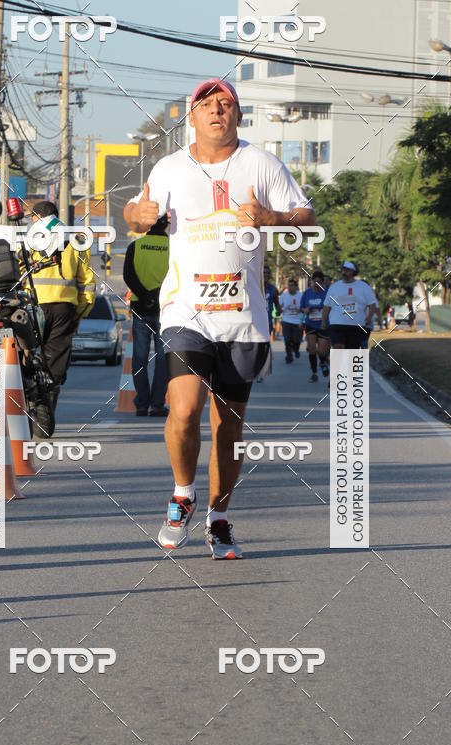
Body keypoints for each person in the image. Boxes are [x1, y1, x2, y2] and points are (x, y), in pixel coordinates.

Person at [124, 77, 314, 558]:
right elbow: (135, 210)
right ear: (192, 117)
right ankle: (183, 494)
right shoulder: (169, 168)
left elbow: (307, 217)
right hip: (185, 311)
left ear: (238, 117)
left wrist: (275, 220)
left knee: (229, 425)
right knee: (184, 409)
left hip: (244, 317)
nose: (217, 111)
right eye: (207, 104)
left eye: (226, 104)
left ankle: (220, 518)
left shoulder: (261, 164)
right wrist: (136, 215)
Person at [27, 200, 95, 410]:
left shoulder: (30, 241)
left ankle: (28, 388)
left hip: (33, 307)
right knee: (56, 358)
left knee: (27, 349)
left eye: (32, 218)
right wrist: (80, 314)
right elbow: (87, 282)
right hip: (64, 309)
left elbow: (18, 273)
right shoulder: (76, 242)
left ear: (38, 217)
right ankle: (47, 399)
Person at [123, 215, 170, 416]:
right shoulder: (174, 247)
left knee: (140, 358)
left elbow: (128, 275)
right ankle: (157, 404)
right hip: (166, 310)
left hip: (141, 309)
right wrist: (157, 296)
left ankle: (141, 404)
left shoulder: (136, 246)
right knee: (163, 359)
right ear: (167, 224)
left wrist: (145, 295)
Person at [321, 261, 377, 349]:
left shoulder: (363, 287)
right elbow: (326, 305)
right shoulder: (334, 287)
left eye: (347, 271)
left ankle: (348, 362)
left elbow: (372, 304)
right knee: (338, 347)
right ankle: (339, 363)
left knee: (352, 351)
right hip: (337, 324)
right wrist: (323, 321)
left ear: (353, 272)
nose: (344, 273)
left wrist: (369, 317)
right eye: (343, 270)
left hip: (356, 326)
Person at [300, 269, 329, 381]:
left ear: (322, 282)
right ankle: (314, 373)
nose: (316, 285)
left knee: (321, 351)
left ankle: (322, 362)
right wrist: (305, 310)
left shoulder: (327, 293)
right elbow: (301, 308)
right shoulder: (307, 293)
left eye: (318, 283)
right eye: (314, 282)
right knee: (312, 349)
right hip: (310, 324)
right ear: (311, 282)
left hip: (323, 325)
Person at [280, 276, 304, 363]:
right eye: (289, 285)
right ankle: (289, 356)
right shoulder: (284, 295)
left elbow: (305, 307)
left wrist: (301, 310)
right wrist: (279, 311)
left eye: (292, 285)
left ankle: (296, 349)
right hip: (286, 320)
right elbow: (279, 305)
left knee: (296, 340)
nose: (290, 287)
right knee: (287, 339)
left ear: (296, 287)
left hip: (297, 321)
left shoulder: (301, 295)